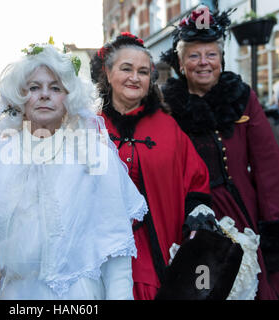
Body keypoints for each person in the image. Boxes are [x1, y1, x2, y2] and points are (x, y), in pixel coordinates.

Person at [0, 43, 148, 300]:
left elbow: (116, 254)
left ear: (69, 96)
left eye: (55, 88)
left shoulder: (94, 156)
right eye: (34, 87)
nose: (44, 95)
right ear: (20, 96)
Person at [161, 6, 279, 299]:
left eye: (211, 54)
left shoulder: (243, 98)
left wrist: (273, 226)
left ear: (222, 59)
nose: (204, 62)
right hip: (189, 217)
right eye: (194, 55)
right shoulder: (165, 106)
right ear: (181, 62)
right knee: (200, 290)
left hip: (243, 213)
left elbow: (268, 168)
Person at [90, 31, 217, 300]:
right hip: (99, 252)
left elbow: (194, 178)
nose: (135, 77)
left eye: (143, 72)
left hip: (154, 248)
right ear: (109, 74)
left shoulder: (168, 127)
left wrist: (198, 210)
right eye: (126, 69)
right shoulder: (89, 126)